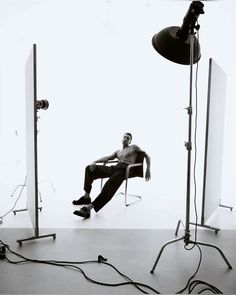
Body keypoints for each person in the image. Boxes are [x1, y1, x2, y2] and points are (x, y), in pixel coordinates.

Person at [73, 132, 151, 218]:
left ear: (130, 141)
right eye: (124, 137)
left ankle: (88, 209)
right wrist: (95, 161)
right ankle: (86, 197)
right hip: (115, 168)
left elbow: (147, 156)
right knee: (89, 169)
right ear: (122, 139)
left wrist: (148, 169)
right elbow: (107, 158)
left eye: (128, 138)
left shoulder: (133, 147)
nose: (126, 139)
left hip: (125, 169)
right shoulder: (118, 152)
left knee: (109, 185)